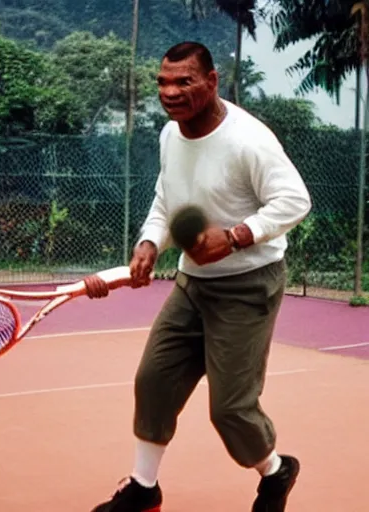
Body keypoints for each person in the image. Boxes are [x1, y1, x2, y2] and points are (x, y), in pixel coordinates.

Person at [88, 41, 312, 512]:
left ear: (211, 81)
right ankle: (144, 489)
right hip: (192, 285)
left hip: (248, 285)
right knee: (153, 383)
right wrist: (151, 242)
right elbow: (166, 200)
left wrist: (234, 237)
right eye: (163, 83)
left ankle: (276, 471)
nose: (170, 92)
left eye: (183, 81)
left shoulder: (248, 139)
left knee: (230, 409)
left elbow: (295, 200)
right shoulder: (171, 136)